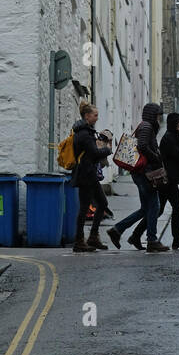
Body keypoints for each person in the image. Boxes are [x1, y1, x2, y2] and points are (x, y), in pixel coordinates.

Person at [128, 112, 179, 250]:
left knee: (159, 210)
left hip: (169, 179)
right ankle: (176, 240)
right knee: (176, 206)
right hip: (166, 178)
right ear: (174, 124)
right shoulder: (169, 138)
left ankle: (136, 235)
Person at [107, 102, 170, 253]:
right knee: (155, 206)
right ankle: (152, 240)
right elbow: (142, 146)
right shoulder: (147, 127)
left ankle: (117, 229)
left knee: (145, 208)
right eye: (157, 115)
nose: (159, 119)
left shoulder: (145, 126)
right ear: (151, 115)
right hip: (145, 174)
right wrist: (155, 157)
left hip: (140, 173)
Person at [70, 102, 112, 252]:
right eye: (95, 115)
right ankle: (79, 241)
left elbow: (90, 153)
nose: (97, 118)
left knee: (101, 203)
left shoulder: (86, 131)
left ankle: (92, 237)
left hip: (88, 174)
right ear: (87, 116)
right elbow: (94, 153)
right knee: (85, 207)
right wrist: (107, 149)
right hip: (85, 175)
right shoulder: (84, 134)